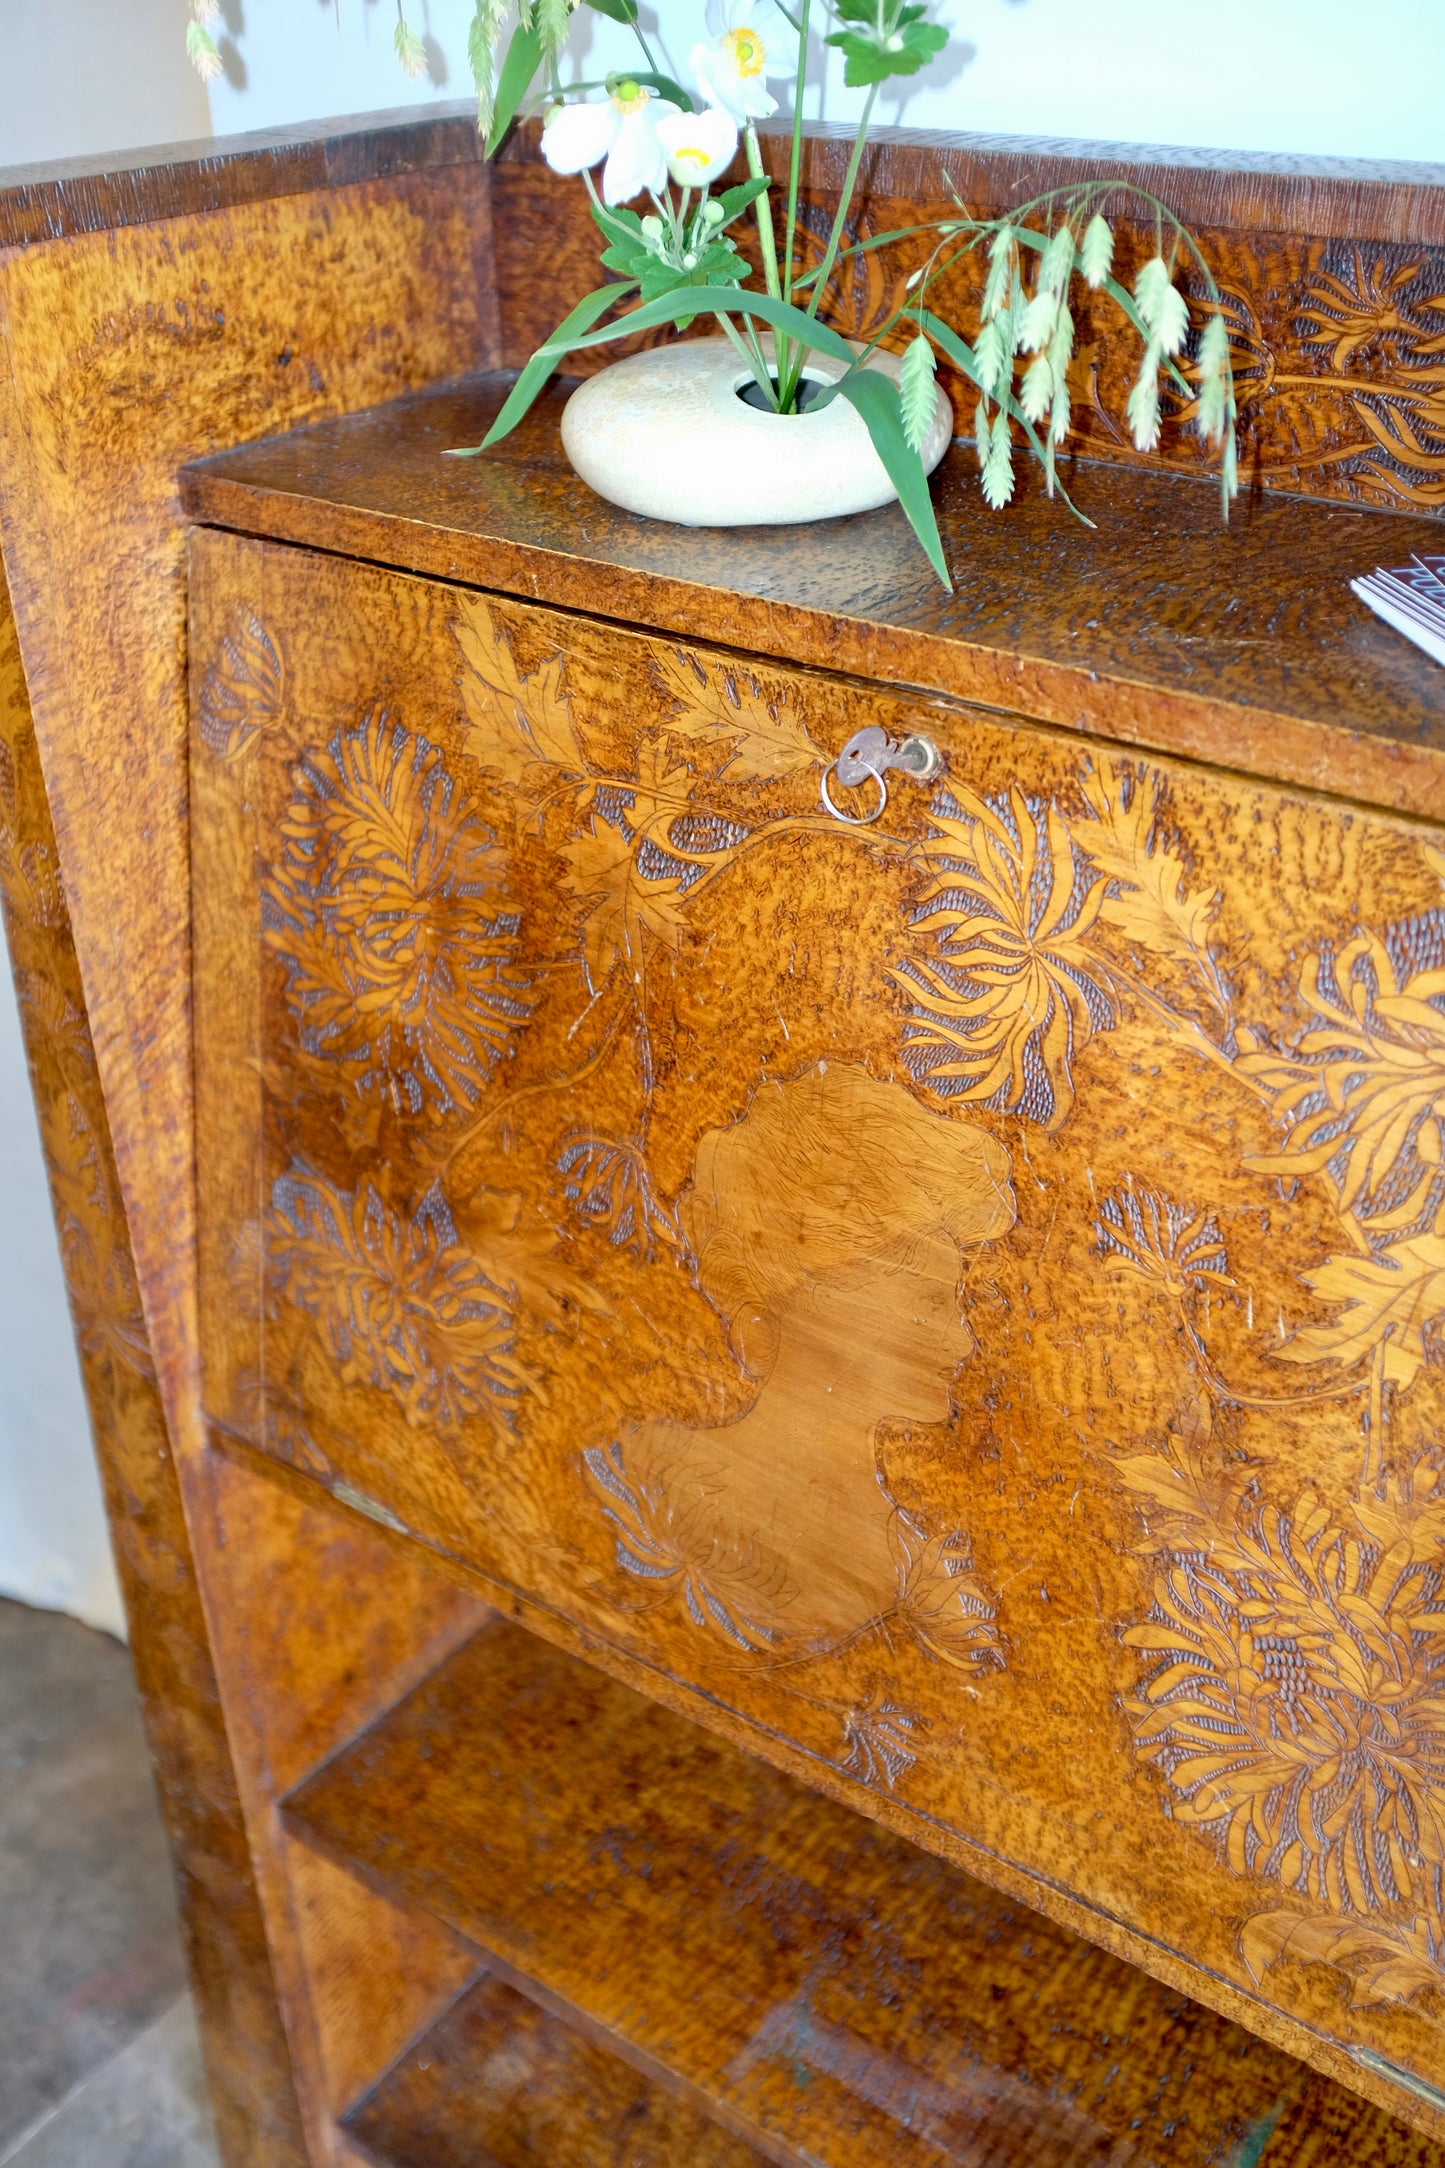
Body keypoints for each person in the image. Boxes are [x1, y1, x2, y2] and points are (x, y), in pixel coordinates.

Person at [591, 1062, 1014, 1653]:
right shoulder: (644, 1473)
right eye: (927, 1301)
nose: (962, 1341)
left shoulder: (917, 1576)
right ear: (805, 1291)